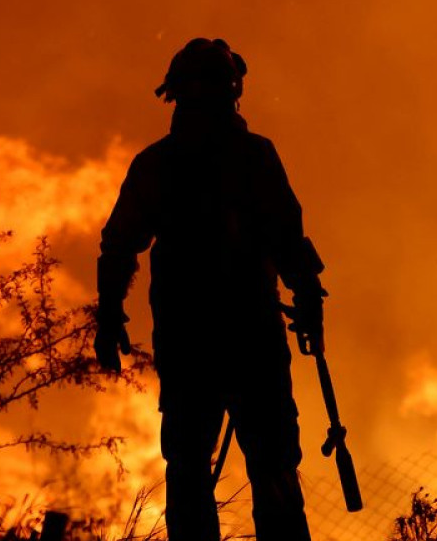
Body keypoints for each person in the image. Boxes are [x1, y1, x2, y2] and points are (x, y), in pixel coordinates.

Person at [95, 38, 326, 541]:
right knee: (272, 467)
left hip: (189, 343)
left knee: (193, 472)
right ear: (234, 90)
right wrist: (308, 301)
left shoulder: (159, 164)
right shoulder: (253, 157)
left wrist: (109, 314)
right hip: (250, 340)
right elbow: (289, 241)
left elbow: (118, 247)